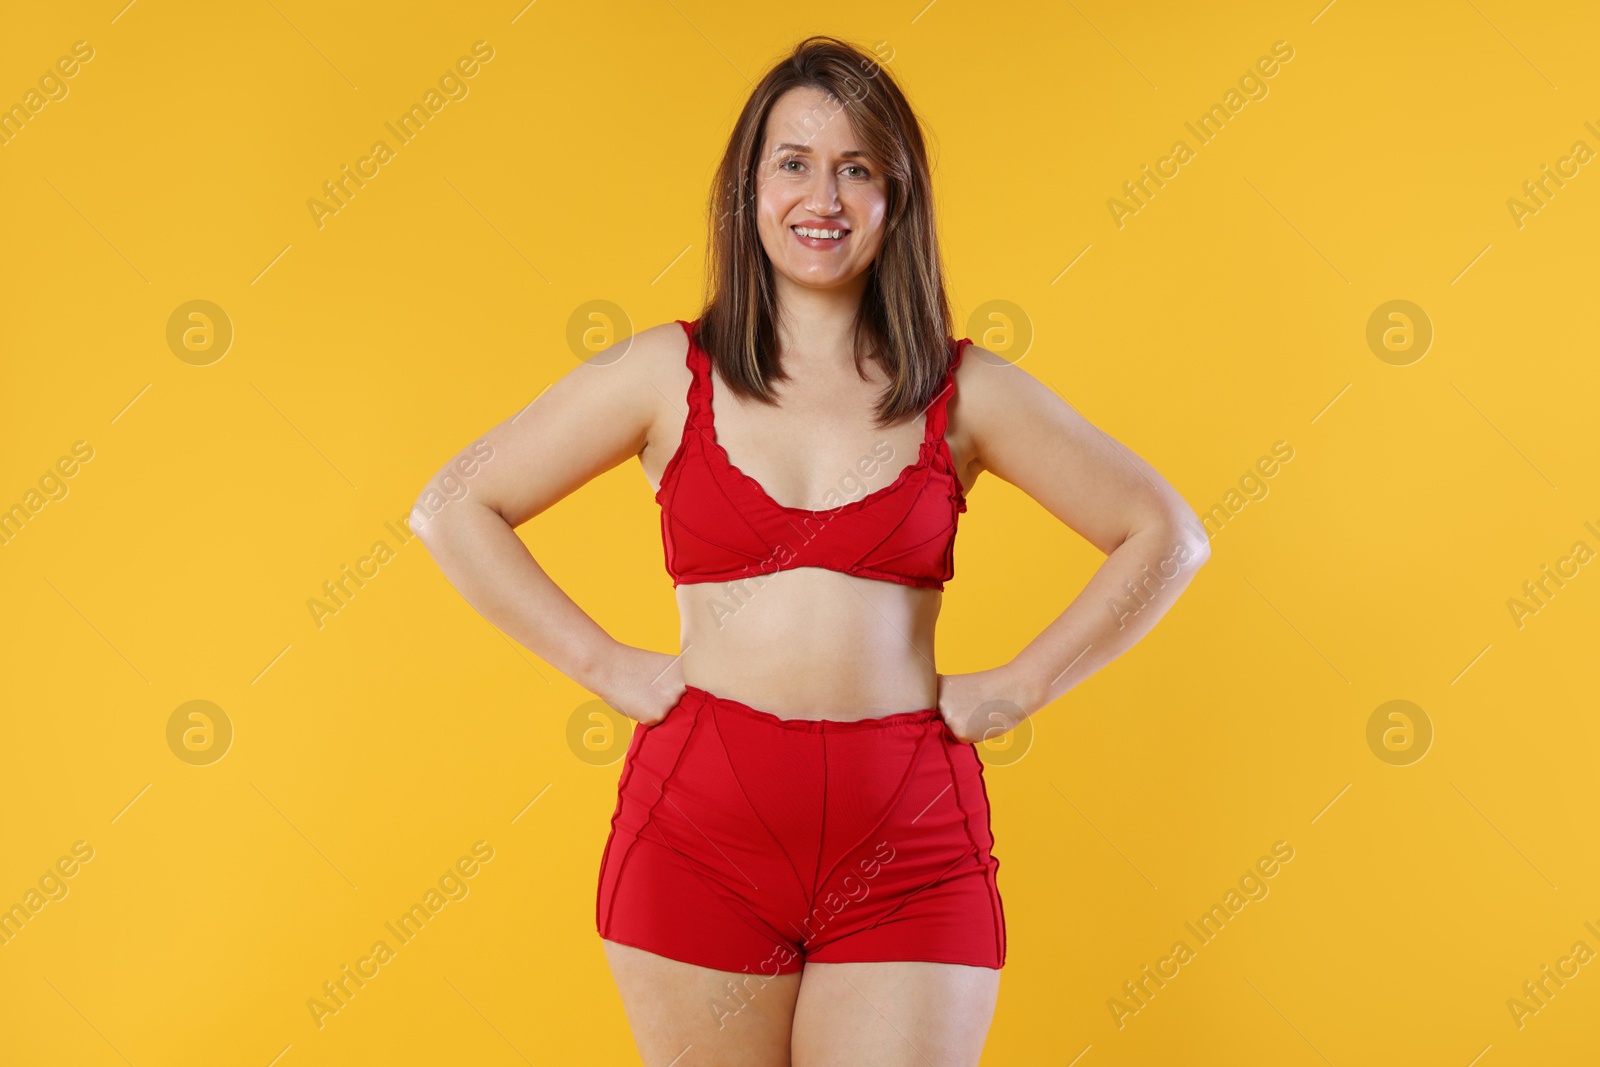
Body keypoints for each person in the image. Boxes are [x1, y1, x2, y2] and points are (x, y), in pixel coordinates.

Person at [412, 33, 1208, 1067]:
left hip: (909, 842)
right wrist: (605, 665)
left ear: (895, 197)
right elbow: (453, 506)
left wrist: (1018, 685)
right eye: (791, 163)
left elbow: (1164, 533)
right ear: (748, 189)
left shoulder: (964, 390)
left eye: (855, 168)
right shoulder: (663, 370)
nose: (820, 196)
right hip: (697, 833)